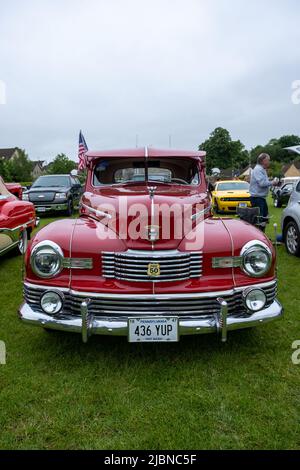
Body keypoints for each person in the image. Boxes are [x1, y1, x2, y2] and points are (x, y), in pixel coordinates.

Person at [249, 153, 278, 220]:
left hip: (260, 198)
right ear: (263, 161)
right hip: (257, 199)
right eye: (268, 160)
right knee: (259, 220)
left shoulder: (261, 169)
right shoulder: (258, 169)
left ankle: (261, 230)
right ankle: (259, 230)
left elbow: (263, 181)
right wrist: (272, 182)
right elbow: (262, 183)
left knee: (264, 218)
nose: (269, 162)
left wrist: (271, 182)